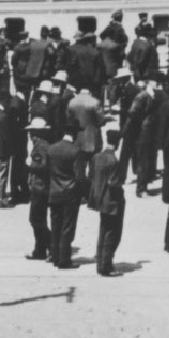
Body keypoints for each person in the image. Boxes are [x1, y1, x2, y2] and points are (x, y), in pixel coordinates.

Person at [89, 126, 127, 276]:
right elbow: (113, 183)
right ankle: (105, 265)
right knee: (112, 233)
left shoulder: (97, 157)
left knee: (103, 230)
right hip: (112, 201)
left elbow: (91, 176)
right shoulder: (114, 160)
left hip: (99, 200)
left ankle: (101, 262)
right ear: (117, 143)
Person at [45, 129, 83, 269]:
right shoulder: (75, 151)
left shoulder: (51, 148)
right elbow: (79, 175)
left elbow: (47, 169)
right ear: (74, 135)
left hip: (54, 191)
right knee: (67, 226)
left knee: (55, 225)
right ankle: (64, 259)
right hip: (70, 192)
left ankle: (54, 255)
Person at [25, 116, 53, 258]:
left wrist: (30, 165)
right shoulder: (41, 145)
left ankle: (50, 244)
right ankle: (40, 250)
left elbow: (43, 166)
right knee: (39, 219)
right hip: (38, 187)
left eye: (32, 132)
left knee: (36, 219)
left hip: (40, 188)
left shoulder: (41, 146)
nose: (30, 135)